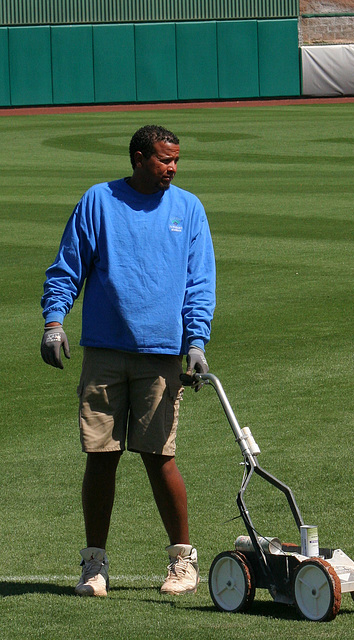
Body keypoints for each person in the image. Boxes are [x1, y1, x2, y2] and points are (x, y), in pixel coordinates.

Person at [40, 125, 216, 597]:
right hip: (103, 351)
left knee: (161, 459)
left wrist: (196, 342)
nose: (172, 168)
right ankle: (93, 564)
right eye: (164, 160)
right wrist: (54, 321)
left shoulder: (188, 208)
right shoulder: (99, 201)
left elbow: (199, 282)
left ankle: (183, 560)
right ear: (139, 158)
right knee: (101, 458)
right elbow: (68, 266)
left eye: (176, 160)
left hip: (161, 355)